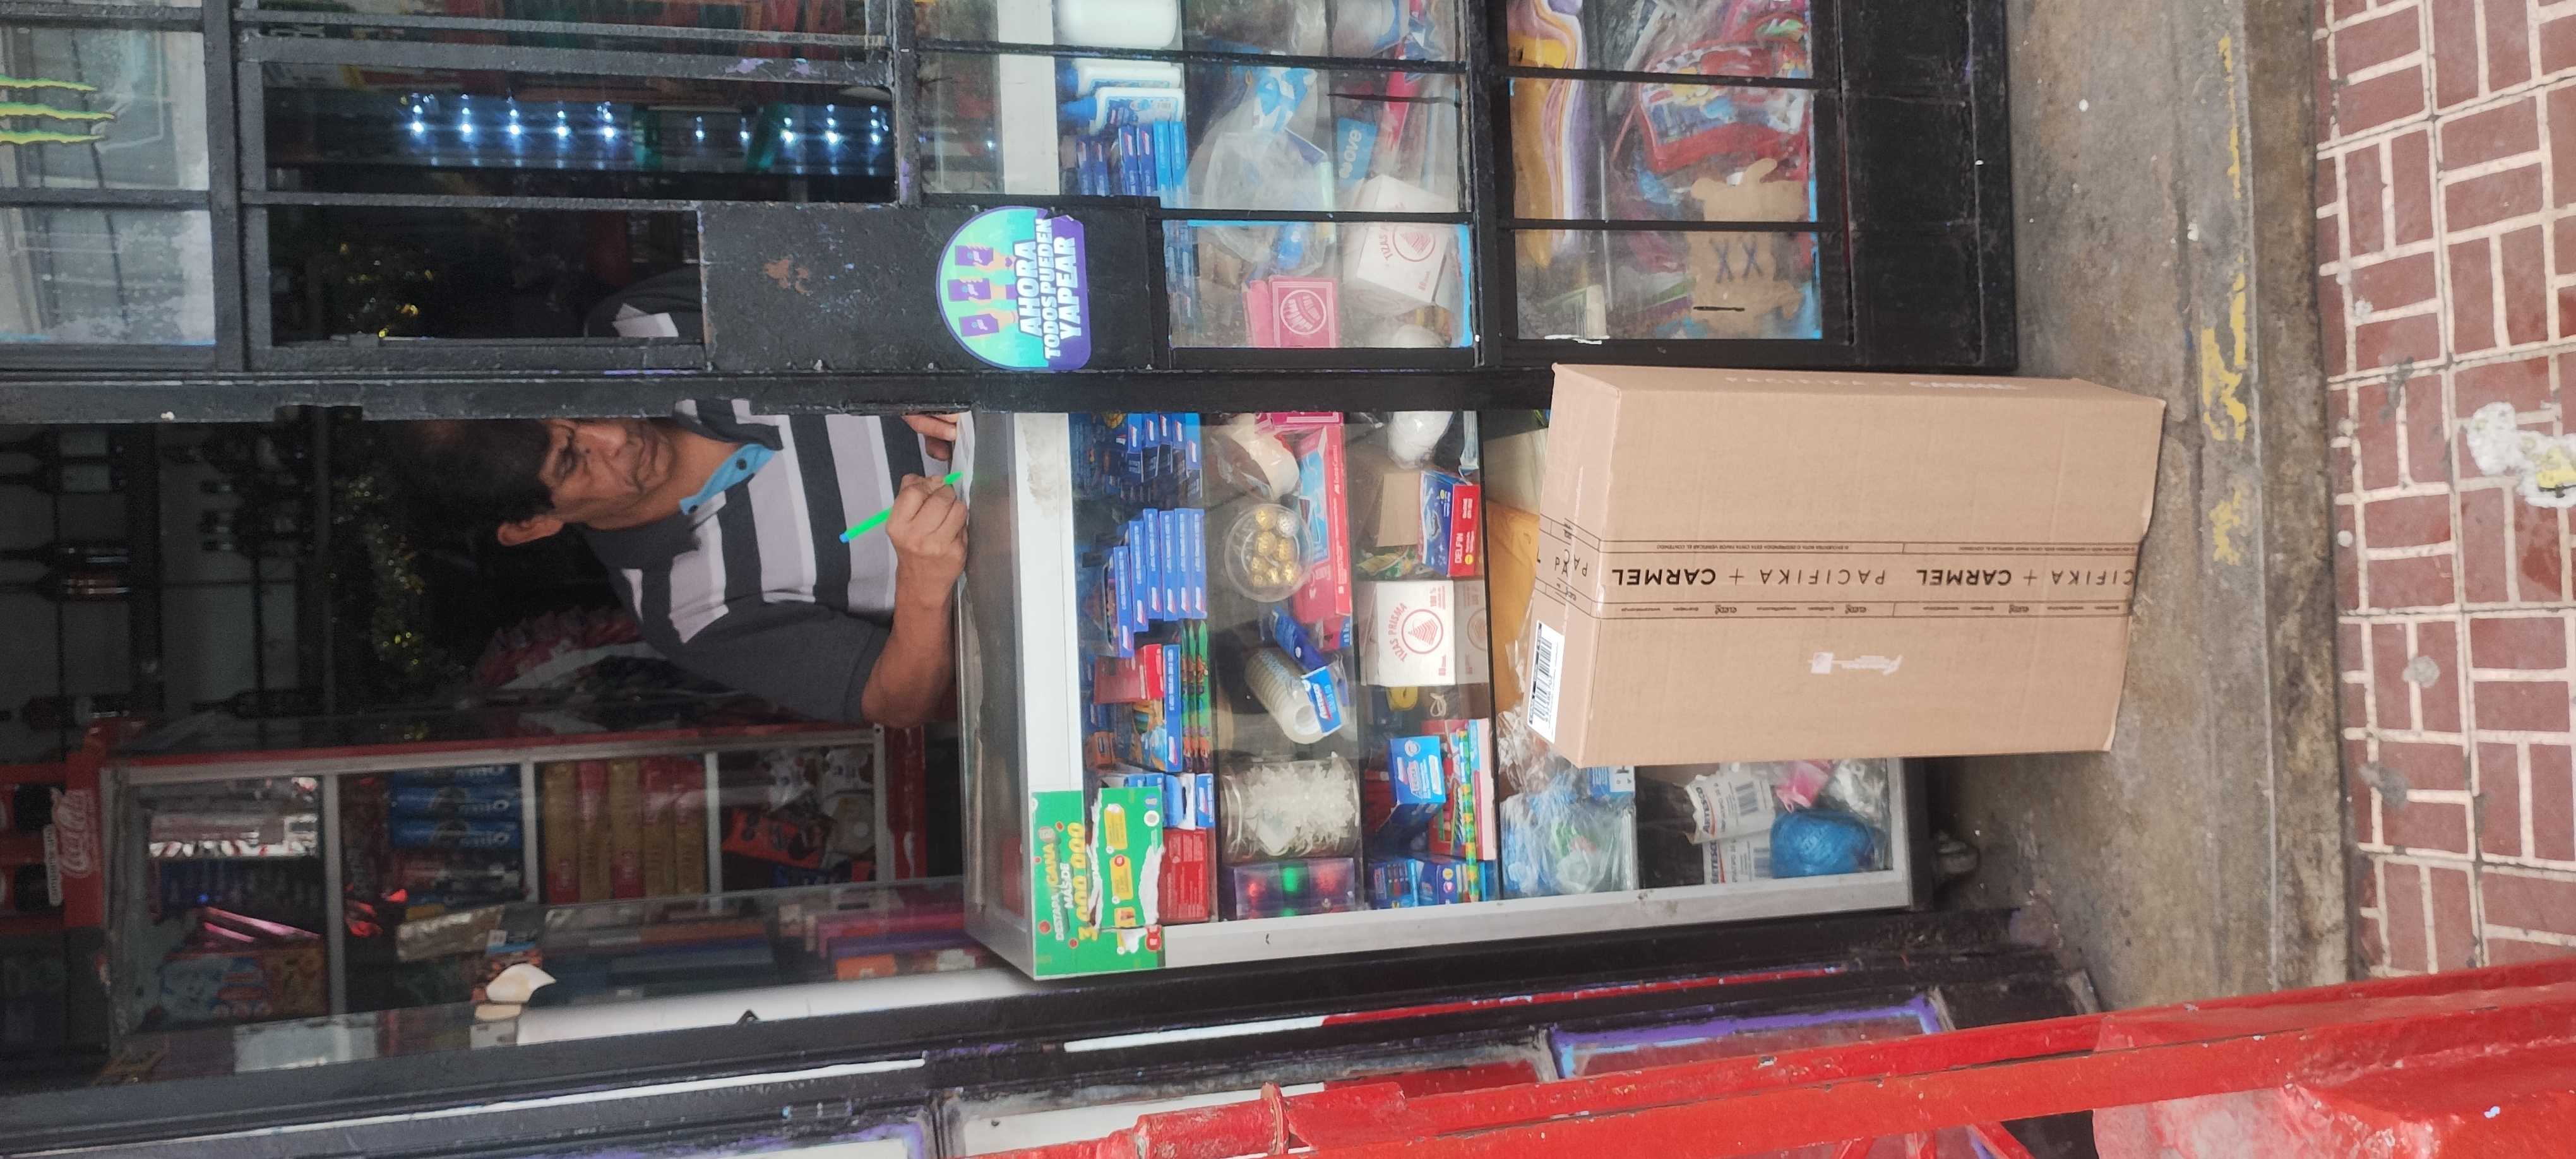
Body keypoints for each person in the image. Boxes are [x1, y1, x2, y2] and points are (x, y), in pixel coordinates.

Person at [390, 404, 967, 728]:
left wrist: (913, 372)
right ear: (532, 526)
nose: (615, 434)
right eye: (573, 460)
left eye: (575, 406)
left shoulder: (647, 323)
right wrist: (923, 583)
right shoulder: (689, 609)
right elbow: (896, 702)